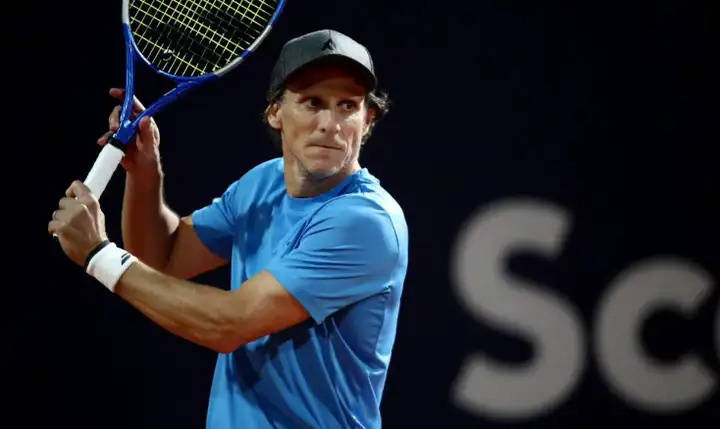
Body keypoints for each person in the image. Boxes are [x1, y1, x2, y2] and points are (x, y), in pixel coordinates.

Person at [48, 29, 408, 429]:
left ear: (367, 120)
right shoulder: (263, 183)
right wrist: (144, 171)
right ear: (276, 112)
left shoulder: (366, 221)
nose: (330, 124)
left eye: (348, 106)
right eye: (312, 102)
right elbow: (163, 257)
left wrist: (99, 255)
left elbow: (228, 324)